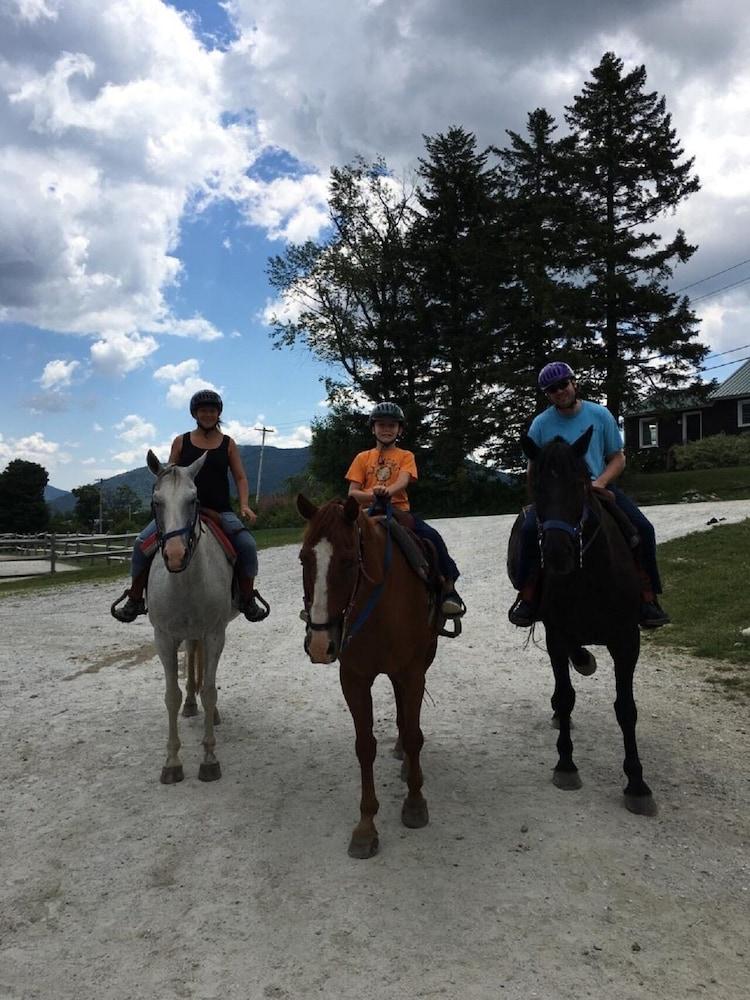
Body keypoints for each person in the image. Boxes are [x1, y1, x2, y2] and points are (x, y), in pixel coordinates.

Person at [508, 361, 670, 629]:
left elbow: (617, 458)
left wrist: (601, 483)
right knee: (527, 531)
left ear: (574, 383)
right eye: (552, 390)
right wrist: (543, 496)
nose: (559, 391)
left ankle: (648, 598)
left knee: (642, 528)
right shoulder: (540, 424)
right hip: (557, 497)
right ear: (547, 395)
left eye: (562, 385)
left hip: (598, 487)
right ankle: (528, 596)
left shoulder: (600, 415)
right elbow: (533, 469)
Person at [111, 389, 268, 624]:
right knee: (141, 544)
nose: (208, 414)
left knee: (247, 545)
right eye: (203, 410)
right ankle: (135, 598)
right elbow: (169, 475)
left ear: (218, 414)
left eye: (212, 411)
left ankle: (247, 598)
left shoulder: (228, 444)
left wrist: (244, 504)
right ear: (195, 413)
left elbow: (241, 478)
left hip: (219, 510)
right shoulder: (181, 441)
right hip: (180, 511)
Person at [345, 402, 466, 618]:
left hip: (397, 510)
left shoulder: (405, 455)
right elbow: (352, 493)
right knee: (336, 544)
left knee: (431, 537)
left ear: (399, 430)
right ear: (373, 428)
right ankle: (326, 601)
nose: (386, 429)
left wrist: (387, 491)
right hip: (367, 513)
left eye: (392, 425)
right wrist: (374, 495)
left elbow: (403, 480)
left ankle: (448, 588)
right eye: (381, 425)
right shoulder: (362, 458)